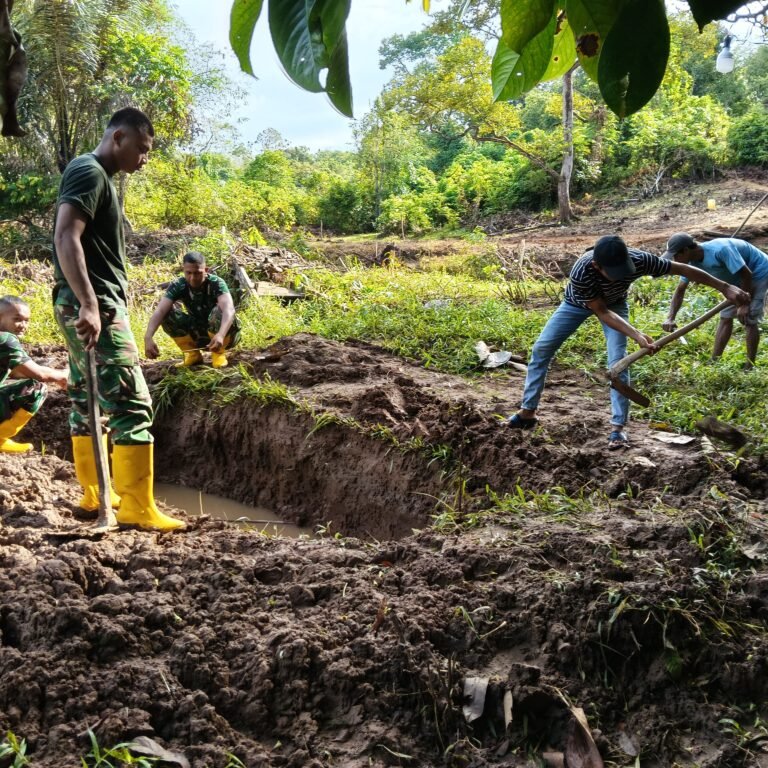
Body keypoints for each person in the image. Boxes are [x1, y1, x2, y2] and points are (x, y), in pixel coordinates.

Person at [52, 107, 184, 531]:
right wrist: (90, 303)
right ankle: (136, 507)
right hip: (96, 306)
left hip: (81, 302)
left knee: (85, 396)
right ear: (119, 137)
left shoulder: (96, 176)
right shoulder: (89, 172)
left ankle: (96, 495)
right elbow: (65, 234)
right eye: (142, 149)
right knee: (132, 401)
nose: (144, 159)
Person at [507, 235, 749, 449]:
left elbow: (684, 270)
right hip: (577, 305)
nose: (620, 276)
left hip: (616, 304)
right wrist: (637, 335)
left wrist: (725, 287)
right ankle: (528, 412)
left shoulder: (640, 260)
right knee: (541, 349)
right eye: (614, 274)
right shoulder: (582, 271)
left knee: (619, 363)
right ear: (596, 265)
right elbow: (601, 311)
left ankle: (618, 428)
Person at [662, 232, 768, 368]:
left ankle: (749, 366)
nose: (675, 260)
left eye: (676, 256)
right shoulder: (690, 264)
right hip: (736, 280)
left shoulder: (721, 249)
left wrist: (744, 304)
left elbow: (746, 274)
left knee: (748, 317)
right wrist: (670, 317)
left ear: (687, 250)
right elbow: (680, 289)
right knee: (725, 317)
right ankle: (714, 362)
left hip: (759, 272)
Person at [144, 251, 240, 369]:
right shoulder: (179, 285)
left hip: (224, 335)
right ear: (183, 270)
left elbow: (229, 309)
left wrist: (220, 334)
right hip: (198, 333)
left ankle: (218, 354)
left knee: (218, 311)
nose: (193, 278)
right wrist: (148, 337)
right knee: (167, 314)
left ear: (206, 270)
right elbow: (160, 311)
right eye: (188, 273)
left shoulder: (216, 283)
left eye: (197, 273)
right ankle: (192, 354)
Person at [0, 296, 68, 452]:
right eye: (17, 319)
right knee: (36, 388)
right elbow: (39, 375)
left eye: (27, 320)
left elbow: (17, 372)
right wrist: (64, 375)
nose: (23, 325)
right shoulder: (5, 339)